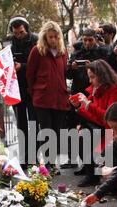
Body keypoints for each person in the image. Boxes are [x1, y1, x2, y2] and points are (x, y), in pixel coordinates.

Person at [70, 59, 117, 187]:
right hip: (100, 127)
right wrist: (80, 106)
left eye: (92, 77)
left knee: (83, 137)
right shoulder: (97, 88)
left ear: (101, 76)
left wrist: (88, 104)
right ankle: (89, 169)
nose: (90, 81)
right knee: (78, 134)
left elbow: (110, 118)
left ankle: (92, 174)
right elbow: (94, 116)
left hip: (112, 131)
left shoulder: (115, 90)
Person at [63, 29, 109, 170]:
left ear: (95, 39)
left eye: (90, 40)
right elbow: (68, 75)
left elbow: (106, 71)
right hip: (78, 90)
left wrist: (92, 66)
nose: (87, 43)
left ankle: (89, 163)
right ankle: (72, 158)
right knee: (72, 126)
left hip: (95, 92)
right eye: (85, 40)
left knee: (89, 128)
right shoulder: (77, 53)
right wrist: (72, 67)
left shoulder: (103, 52)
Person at [26, 21, 69, 169]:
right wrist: (35, 92)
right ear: (44, 37)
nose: (53, 40)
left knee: (56, 132)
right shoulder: (37, 51)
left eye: (56, 37)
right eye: (50, 37)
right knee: (46, 131)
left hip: (59, 98)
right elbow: (30, 74)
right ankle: (49, 163)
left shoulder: (63, 52)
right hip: (42, 98)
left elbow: (64, 74)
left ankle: (52, 160)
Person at [8, 16, 39, 169]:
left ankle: (34, 157)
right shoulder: (10, 42)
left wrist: (23, 66)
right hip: (17, 88)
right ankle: (24, 158)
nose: (19, 35)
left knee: (34, 123)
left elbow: (39, 64)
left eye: (21, 32)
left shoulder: (36, 41)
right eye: (16, 33)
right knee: (21, 124)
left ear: (27, 29)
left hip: (33, 87)